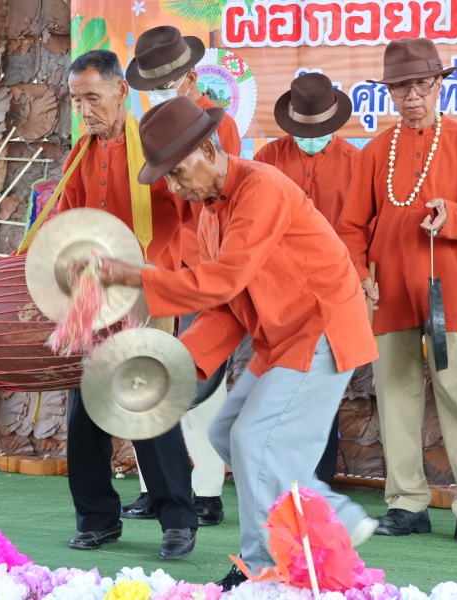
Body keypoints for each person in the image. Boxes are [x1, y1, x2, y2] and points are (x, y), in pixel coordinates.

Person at [97, 95, 380, 589]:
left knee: (254, 441)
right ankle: (332, 513)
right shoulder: (209, 213)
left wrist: (139, 277)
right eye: (166, 177)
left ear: (208, 150)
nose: (173, 187)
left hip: (321, 328)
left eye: (177, 172)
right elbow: (224, 308)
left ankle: (260, 567)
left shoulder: (260, 186)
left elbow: (222, 281)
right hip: (281, 338)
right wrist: (177, 364)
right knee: (228, 432)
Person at [337, 37, 457, 547]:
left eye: (422, 85)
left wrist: (451, 215)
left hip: (452, 294)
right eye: (401, 87)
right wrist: (358, 272)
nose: (412, 96)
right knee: (395, 397)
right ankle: (406, 502)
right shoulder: (374, 151)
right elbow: (351, 227)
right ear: (389, 93)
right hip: (389, 294)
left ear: (439, 86)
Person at [60, 49, 198, 559]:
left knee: (148, 404)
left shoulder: (157, 145)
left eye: (92, 98)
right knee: (85, 410)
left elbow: (192, 213)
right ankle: (97, 519)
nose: (84, 111)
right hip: (94, 296)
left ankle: (178, 520)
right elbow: (67, 222)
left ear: (121, 90)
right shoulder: (80, 154)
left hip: (148, 290)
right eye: (77, 101)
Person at [119, 25, 243, 525]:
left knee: (203, 380)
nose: (159, 91)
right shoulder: (144, 128)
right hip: (154, 266)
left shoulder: (218, 125)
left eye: (167, 82)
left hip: (202, 269)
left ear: (191, 76)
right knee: (148, 375)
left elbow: (222, 201)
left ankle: (207, 489)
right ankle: (155, 486)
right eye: (152, 85)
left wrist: (203, 266)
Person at [254, 71, 360, 482]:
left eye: (319, 130)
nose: (311, 137)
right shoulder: (266, 159)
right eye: (303, 130)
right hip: (275, 295)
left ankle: (317, 483)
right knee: (274, 388)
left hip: (333, 297)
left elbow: (361, 230)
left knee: (322, 393)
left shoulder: (356, 163)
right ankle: (273, 479)